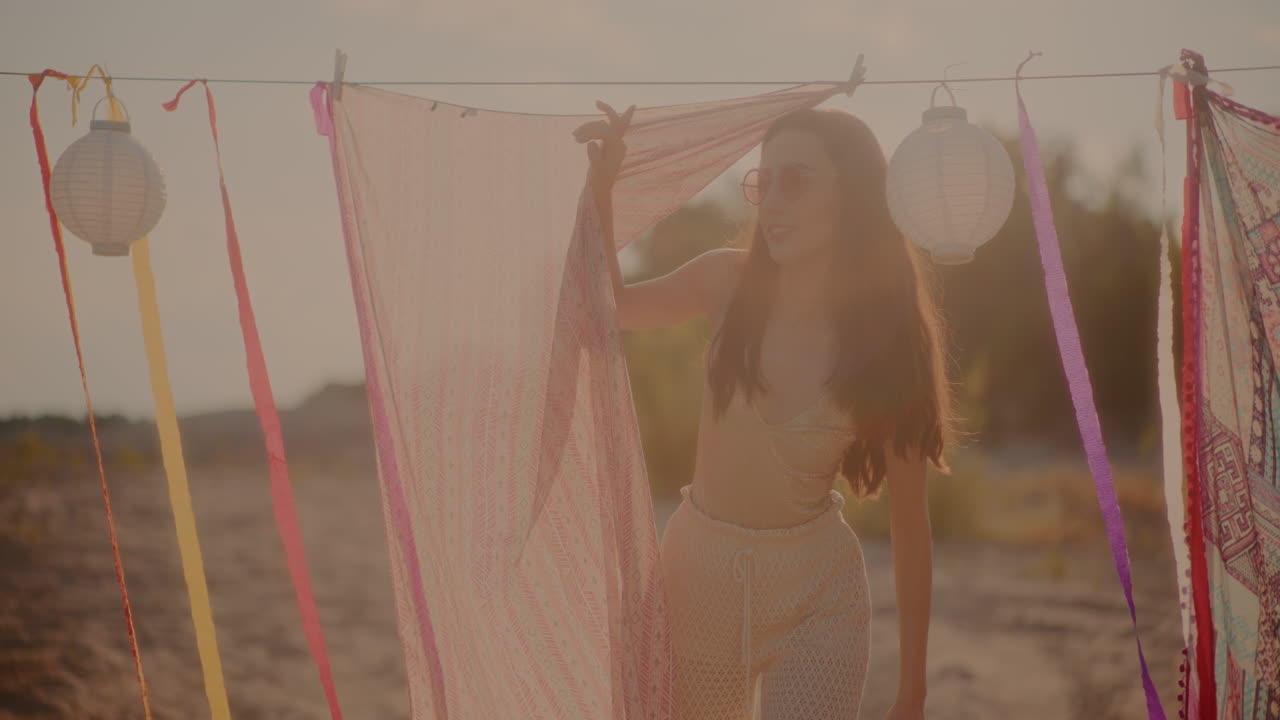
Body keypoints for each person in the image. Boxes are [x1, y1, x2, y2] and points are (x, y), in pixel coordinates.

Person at [576, 99, 949, 720]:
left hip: (817, 600)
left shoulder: (886, 340)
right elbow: (610, 307)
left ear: (853, 195)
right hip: (695, 585)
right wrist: (602, 191)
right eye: (764, 182)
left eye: (796, 181)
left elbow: (912, 525)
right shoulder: (726, 284)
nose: (772, 201)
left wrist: (913, 687)